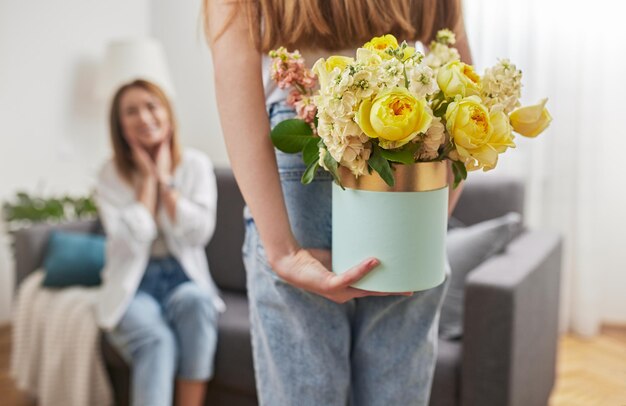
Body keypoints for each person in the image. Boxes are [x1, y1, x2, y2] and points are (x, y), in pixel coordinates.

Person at [204, 1, 472, 404]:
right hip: (409, 151)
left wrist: (282, 252)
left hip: (300, 148)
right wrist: (428, 219)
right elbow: (464, 96)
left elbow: (234, 78)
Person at [94, 79, 225, 406]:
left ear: (167, 113)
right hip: (135, 285)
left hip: (183, 277)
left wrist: (166, 182)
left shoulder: (195, 165)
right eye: (131, 111)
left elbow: (198, 234)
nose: (144, 117)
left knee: (197, 303)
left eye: (151, 106)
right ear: (119, 125)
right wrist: (147, 182)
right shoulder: (110, 174)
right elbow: (128, 241)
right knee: (157, 339)